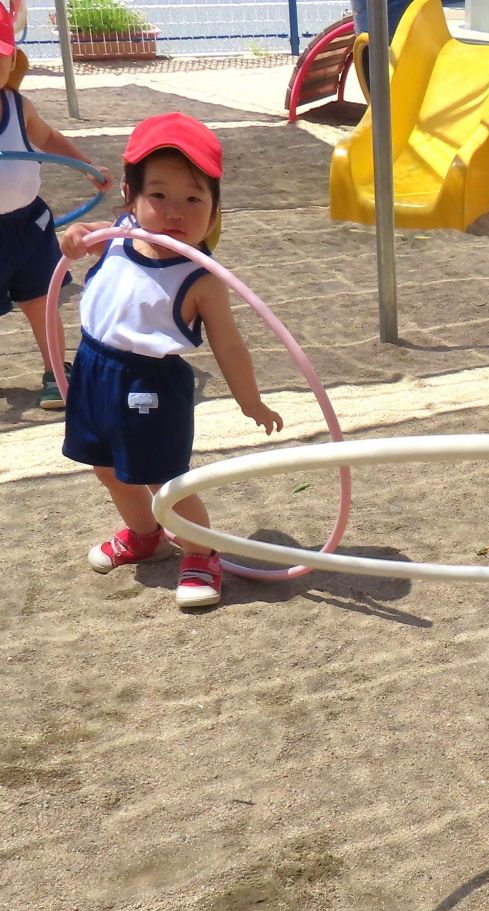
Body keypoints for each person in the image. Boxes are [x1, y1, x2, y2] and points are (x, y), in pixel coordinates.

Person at [59, 112, 282, 610]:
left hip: (152, 386)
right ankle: (145, 535)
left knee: (166, 481)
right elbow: (81, 238)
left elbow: (229, 346)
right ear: (130, 196)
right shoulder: (117, 233)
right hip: (94, 369)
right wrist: (73, 238)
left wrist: (252, 403)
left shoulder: (200, 277)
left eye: (194, 198)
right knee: (106, 468)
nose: (175, 212)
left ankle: (202, 553)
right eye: (159, 195)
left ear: (215, 206)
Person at [0, 4, 111, 409]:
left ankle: (55, 371)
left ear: (11, 59)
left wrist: (85, 167)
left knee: (39, 301)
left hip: (28, 226)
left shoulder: (17, 107)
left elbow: (48, 139)